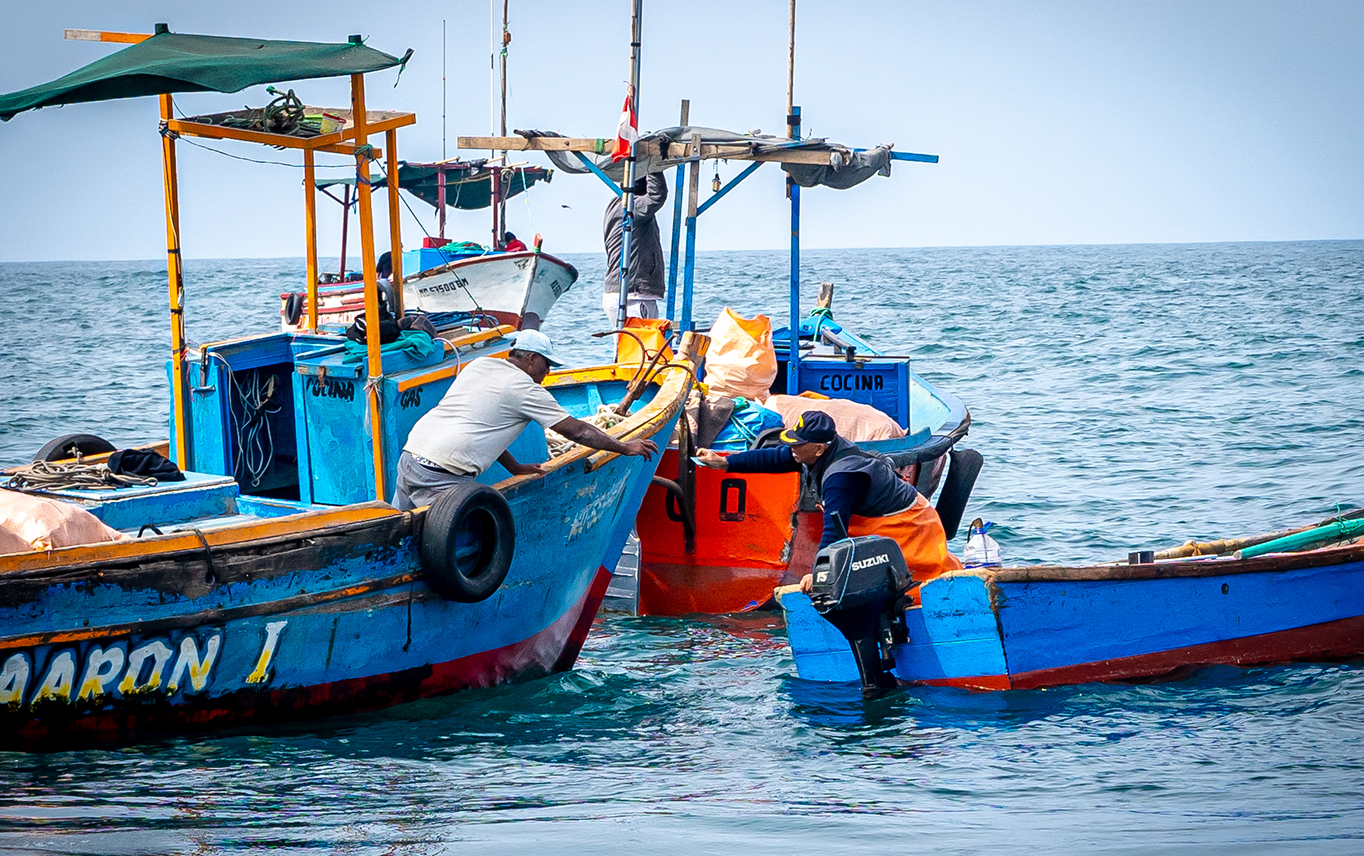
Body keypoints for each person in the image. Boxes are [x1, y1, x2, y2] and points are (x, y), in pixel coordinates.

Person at [392, 330, 658, 511]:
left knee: (396, 531)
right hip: (440, 475)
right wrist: (625, 447)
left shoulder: (481, 366)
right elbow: (577, 432)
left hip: (411, 456)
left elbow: (479, 426)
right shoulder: (526, 389)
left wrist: (515, 467)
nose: (548, 372)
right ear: (531, 359)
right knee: (478, 531)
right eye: (547, 365)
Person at [695, 411, 961, 590]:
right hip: (875, 521)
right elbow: (774, 458)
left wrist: (817, 573)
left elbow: (835, 530)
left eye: (798, 444)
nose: (792, 449)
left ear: (820, 448)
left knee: (921, 581)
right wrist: (725, 462)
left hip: (908, 523)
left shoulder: (840, 476)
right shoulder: (810, 451)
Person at [602, 172, 668, 327]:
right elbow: (657, 195)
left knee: (626, 347)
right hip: (633, 296)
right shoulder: (635, 207)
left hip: (618, 292)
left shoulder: (614, 205)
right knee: (643, 348)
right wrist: (653, 165)